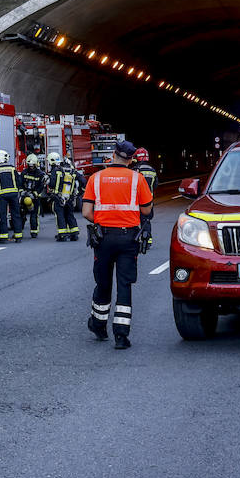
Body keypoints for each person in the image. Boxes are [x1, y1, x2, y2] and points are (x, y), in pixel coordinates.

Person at [83, 140, 154, 350]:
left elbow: (87, 212)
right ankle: (121, 336)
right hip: (128, 238)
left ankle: (98, 325)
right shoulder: (137, 179)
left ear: (113, 155)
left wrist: (103, 220)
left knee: (103, 283)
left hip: (103, 238)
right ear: (131, 159)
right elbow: (146, 211)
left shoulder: (95, 179)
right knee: (124, 285)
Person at [49, 152, 80, 242]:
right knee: (69, 214)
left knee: (60, 215)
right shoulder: (70, 170)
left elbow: (52, 184)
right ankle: (74, 234)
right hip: (69, 197)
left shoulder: (56, 170)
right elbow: (81, 179)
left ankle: (62, 234)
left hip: (58, 197)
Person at [131, 147, 159, 249]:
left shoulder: (134, 170)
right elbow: (155, 185)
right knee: (146, 220)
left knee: (134, 221)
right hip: (148, 201)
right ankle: (148, 239)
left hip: (135, 201)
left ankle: (135, 239)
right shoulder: (152, 170)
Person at [18, 154, 47, 240]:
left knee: (34, 215)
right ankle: (19, 231)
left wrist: (35, 193)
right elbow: (20, 183)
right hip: (25, 196)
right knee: (21, 214)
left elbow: (41, 186)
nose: (31, 167)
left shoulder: (40, 174)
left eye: (33, 165)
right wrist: (22, 191)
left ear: (36, 164)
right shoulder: (24, 172)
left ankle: (34, 232)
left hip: (35, 198)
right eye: (30, 165)